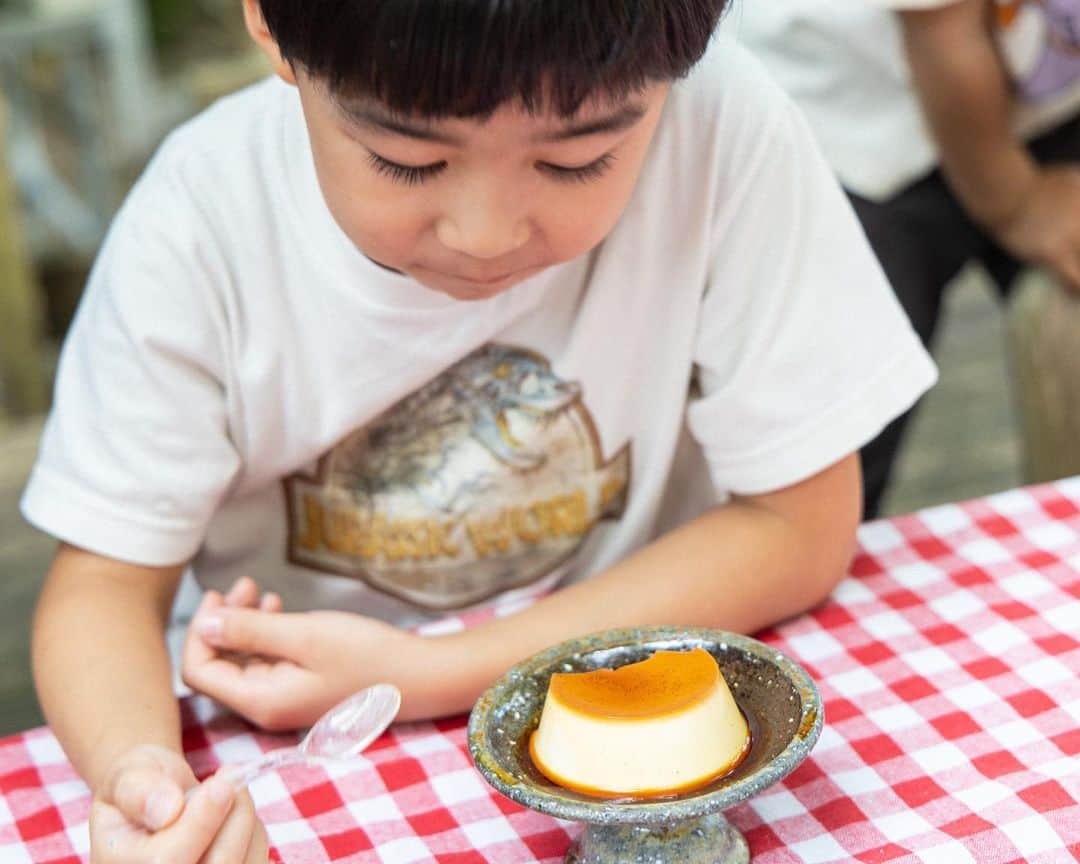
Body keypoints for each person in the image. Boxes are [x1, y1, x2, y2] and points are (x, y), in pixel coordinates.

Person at [21, 1, 936, 861]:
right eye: (408, 162)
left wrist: (434, 672)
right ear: (268, 22)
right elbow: (102, 586)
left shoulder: (721, 127)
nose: (486, 233)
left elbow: (801, 525)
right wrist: (140, 776)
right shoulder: (200, 223)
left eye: (577, 161)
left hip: (635, 736)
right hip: (300, 766)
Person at [727, 0, 1080, 518]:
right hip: (853, 114)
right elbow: (942, 33)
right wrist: (1018, 203)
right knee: (842, 413)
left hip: (1041, 83)